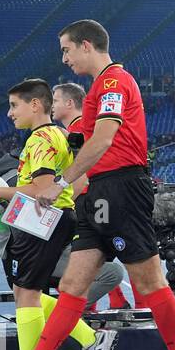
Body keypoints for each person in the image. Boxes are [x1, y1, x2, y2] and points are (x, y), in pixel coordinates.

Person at [0, 19, 175, 350]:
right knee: (71, 286)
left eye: (66, 49)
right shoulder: (101, 88)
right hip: (100, 192)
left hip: (123, 189)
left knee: (150, 285)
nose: (64, 58)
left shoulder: (114, 81)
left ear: (85, 45)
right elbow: (89, 142)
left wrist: (61, 183)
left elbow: (105, 140)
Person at [0, 80, 119, 350]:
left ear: (35, 105)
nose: (10, 113)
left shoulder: (41, 139)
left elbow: (40, 190)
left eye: (14, 105)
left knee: (26, 294)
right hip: (50, 220)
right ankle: (72, 349)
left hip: (40, 221)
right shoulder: (58, 135)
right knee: (26, 290)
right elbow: (76, 184)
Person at [53, 80, 135, 312]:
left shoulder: (79, 129)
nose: (52, 105)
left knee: (89, 258)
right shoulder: (78, 128)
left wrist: (61, 201)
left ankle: (84, 310)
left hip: (90, 201)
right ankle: (117, 302)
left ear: (70, 103)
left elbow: (84, 174)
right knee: (106, 256)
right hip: (100, 198)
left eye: (56, 100)